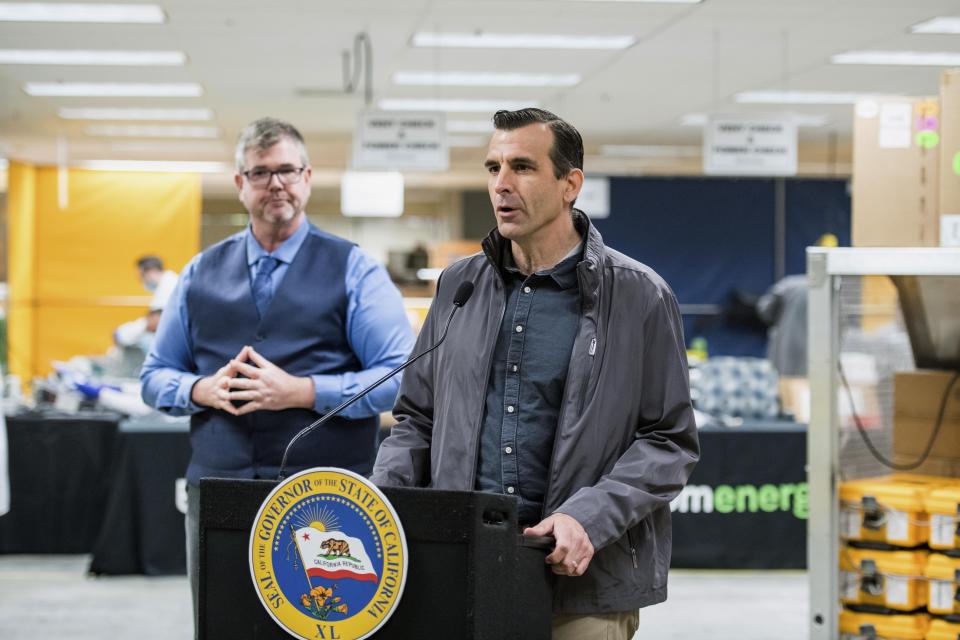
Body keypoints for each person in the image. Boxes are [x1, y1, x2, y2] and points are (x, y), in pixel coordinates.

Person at [372, 108, 699, 640]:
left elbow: (669, 441)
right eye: (492, 167)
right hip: (463, 567)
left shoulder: (639, 294)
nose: (501, 184)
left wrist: (588, 519)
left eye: (522, 167)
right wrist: (383, 499)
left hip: (581, 582)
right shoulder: (460, 285)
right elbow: (417, 417)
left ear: (570, 184)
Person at [140, 117, 415, 630]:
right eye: (262, 173)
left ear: (308, 177)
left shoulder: (355, 269)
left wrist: (303, 391)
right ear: (241, 184)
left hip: (327, 498)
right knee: (222, 623)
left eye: (288, 170)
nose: (277, 184)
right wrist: (202, 389)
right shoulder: (200, 272)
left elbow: (400, 376)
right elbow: (154, 376)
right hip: (221, 492)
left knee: (325, 626)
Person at [113, 255, 179, 349]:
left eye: (141, 276)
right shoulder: (167, 283)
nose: (141, 280)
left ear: (150, 272)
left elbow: (156, 321)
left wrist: (127, 332)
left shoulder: (168, 285)